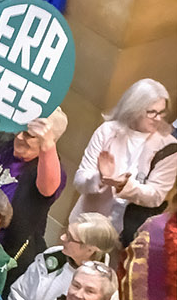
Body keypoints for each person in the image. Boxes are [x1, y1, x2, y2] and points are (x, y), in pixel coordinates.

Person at [71, 78, 175, 232]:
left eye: (162, 112)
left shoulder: (169, 147)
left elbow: (156, 195)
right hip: (86, 224)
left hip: (126, 232)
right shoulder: (107, 131)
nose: (158, 118)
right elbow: (80, 180)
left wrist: (125, 186)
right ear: (134, 107)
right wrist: (99, 178)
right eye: (152, 112)